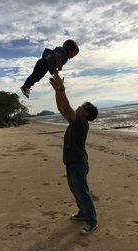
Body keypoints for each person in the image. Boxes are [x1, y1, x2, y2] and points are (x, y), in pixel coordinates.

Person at [49, 73, 98, 235]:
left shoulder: (82, 123)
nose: (79, 107)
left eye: (82, 107)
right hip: (71, 163)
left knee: (82, 191)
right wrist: (57, 90)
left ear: (86, 114)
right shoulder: (74, 121)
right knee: (75, 190)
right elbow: (61, 108)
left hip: (78, 163)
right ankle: (83, 212)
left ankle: (92, 221)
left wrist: (61, 88)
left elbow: (67, 105)